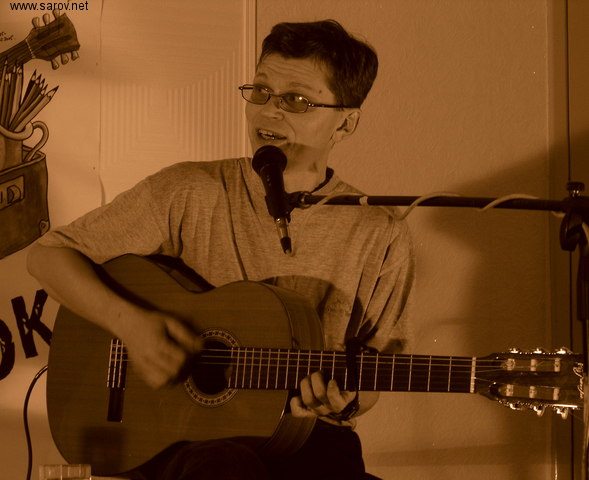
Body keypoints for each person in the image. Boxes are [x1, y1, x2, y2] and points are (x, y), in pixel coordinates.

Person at [27, 19, 415, 480]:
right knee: (225, 467)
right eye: (262, 92)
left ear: (345, 122)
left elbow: (376, 373)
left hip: (309, 438)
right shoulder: (190, 190)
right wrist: (132, 326)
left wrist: (343, 398)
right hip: (184, 436)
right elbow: (47, 256)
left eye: (296, 100)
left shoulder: (380, 231)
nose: (269, 113)